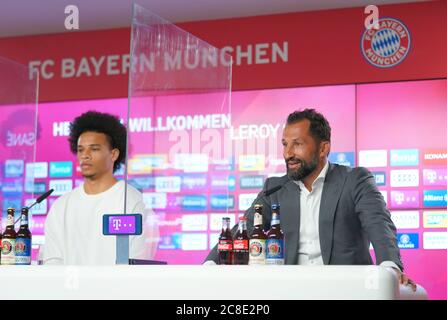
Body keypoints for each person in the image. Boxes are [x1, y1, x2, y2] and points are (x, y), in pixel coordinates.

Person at [205, 108, 416, 290]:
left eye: (297, 144)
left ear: (323, 148)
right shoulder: (275, 187)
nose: (288, 153)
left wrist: (390, 269)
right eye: (285, 144)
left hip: (346, 291)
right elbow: (244, 229)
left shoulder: (354, 180)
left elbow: (379, 226)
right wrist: (210, 266)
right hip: (290, 291)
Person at [43, 111, 157, 265]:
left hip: (116, 288)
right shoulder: (61, 205)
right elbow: (52, 262)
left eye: (94, 149)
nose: (85, 155)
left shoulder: (131, 202)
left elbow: (137, 264)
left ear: (114, 154)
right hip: (67, 288)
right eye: (81, 149)